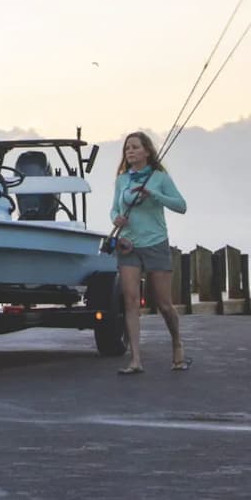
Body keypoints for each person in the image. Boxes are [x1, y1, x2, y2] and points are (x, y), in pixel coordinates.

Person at [110, 131, 188, 375]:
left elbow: (181, 206)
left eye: (134, 147)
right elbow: (113, 210)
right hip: (128, 244)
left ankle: (177, 344)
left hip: (155, 243)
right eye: (127, 149)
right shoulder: (122, 180)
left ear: (147, 151)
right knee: (131, 302)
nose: (130, 152)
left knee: (163, 303)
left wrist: (153, 194)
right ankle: (135, 359)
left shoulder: (159, 177)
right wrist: (117, 219)